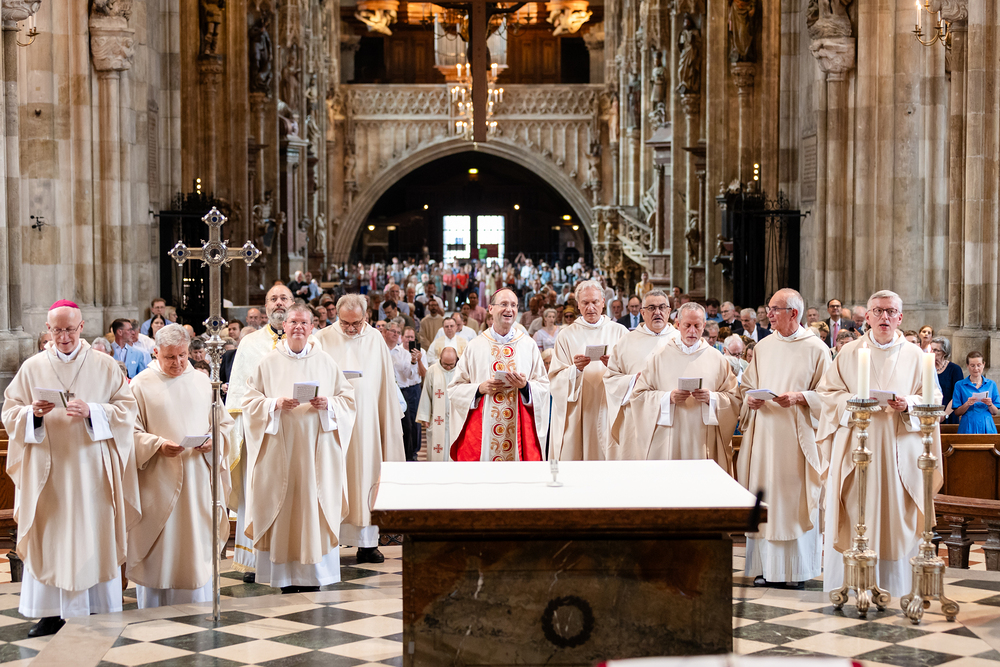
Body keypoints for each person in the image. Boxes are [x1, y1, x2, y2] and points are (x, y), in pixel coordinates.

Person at [1, 300, 139, 636]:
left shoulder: (105, 365)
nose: (64, 336)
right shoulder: (32, 367)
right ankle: (50, 613)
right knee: (51, 538)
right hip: (47, 473)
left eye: (70, 329)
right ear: (48, 329)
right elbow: (10, 412)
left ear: (82, 327)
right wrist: (32, 413)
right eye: (57, 330)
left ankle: (97, 608)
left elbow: (127, 410)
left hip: (91, 470)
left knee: (93, 534)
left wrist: (93, 411)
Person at [817, 289, 942, 598]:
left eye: (890, 311)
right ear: (868, 317)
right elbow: (828, 394)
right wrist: (857, 401)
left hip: (901, 452)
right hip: (857, 450)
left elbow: (934, 399)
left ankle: (897, 588)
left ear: (900, 317)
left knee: (897, 514)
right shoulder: (849, 352)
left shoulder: (916, 355)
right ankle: (852, 584)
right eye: (878, 311)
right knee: (857, 507)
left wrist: (909, 404)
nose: (884, 316)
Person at [242, 304, 356, 591]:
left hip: (317, 451)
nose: (298, 327)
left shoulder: (326, 361)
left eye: (304, 323)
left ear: (312, 326)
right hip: (279, 451)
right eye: (293, 322)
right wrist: (274, 404)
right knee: (283, 504)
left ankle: (314, 576)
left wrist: (328, 403)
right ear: (284, 325)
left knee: (314, 504)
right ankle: (284, 577)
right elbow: (249, 403)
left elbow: (348, 400)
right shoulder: (268, 362)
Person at [127, 324, 234, 607]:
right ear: (156, 352)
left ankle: (197, 605)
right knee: (161, 548)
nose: (178, 363)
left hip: (198, 479)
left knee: (194, 543)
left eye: (183, 355)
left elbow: (224, 425)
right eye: (170, 357)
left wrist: (213, 440)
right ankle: (154, 609)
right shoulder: (140, 385)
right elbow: (128, 434)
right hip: (157, 479)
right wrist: (157, 445)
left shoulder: (201, 381)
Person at [736, 289, 830, 588]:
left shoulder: (817, 349)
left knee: (793, 502)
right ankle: (766, 569)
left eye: (775, 309)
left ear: (794, 313)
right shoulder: (763, 347)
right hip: (764, 438)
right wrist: (750, 399)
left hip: (797, 439)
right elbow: (747, 385)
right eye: (769, 308)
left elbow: (830, 395)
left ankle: (796, 573)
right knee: (766, 500)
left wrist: (802, 397)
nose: (769, 314)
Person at [314, 295, 404, 563]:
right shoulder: (322, 338)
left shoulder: (375, 339)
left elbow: (385, 384)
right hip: (332, 422)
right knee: (333, 477)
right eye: (345, 323)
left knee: (366, 475)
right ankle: (330, 543)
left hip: (366, 423)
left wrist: (386, 417)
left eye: (357, 323)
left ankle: (367, 544)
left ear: (366, 317)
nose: (351, 328)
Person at [224, 284, 295, 582]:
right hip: (260, 434)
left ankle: (293, 556)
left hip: (296, 432)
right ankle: (254, 560)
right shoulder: (250, 344)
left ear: (293, 303)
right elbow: (239, 396)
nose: (279, 303)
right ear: (266, 307)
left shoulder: (308, 341)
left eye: (284, 298)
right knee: (258, 493)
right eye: (273, 299)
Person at [624, 303, 740, 472]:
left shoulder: (717, 359)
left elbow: (734, 397)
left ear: (704, 326)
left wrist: (712, 398)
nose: (692, 331)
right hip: (671, 438)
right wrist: (668, 398)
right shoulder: (660, 357)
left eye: (697, 326)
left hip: (703, 440)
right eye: (687, 325)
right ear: (678, 324)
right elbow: (638, 396)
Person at [448, 288, 550, 461]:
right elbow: (455, 389)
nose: (509, 309)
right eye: (503, 304)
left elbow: (544, 387)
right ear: (490, 309)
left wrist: (525, 387)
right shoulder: (475, 346)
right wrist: (479, 389)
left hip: (518, 430)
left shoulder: (528, 345)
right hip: (484, 431)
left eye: (513, 305)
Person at [549, 281, 628, 461]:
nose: (590, 307)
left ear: (603, 302)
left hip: (609, 407)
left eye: (595, 302)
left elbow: (632, 374)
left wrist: (614, 366)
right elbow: (555, 380)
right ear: (578, 304)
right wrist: (575, 370)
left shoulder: (620, 332)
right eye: (585, 303)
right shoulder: (566, 335)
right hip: (579, 411)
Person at [604, 290, 680, 459]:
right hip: (637, 416)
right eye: (651, 308)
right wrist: (632, 380)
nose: (657, 312)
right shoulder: (626, 341)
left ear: (669, 311)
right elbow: (610, 378)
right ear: (642, 313)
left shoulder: (680, 340)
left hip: (673, 415)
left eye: (662, 307)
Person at [386, 320, 425, 461]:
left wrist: (415, 361)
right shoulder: (388, 350)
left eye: (411, 337)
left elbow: (412, 374)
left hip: (408, 390)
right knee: (396, 423)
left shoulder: (410, 352)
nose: (395, 334)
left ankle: (411, 454)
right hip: (392, 389)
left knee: (411, 424)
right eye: (406, 337)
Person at [417, 347, 459, 461]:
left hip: (456, 419)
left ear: (456, 360)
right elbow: (426, 393)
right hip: (437, 419)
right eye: (445, 364)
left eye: (451, 364)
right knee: (437, 448)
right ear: (440, 358)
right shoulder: (432, 370)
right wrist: (425, 417)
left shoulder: (461, 371)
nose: (449, 367)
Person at [952, 351, 1000, 434]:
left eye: (979, 365)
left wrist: (990, 404)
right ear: (967, 366)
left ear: (983, 364)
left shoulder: (991, 384)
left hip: (987, 425)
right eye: (972, 365)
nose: (976, 368)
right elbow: (957, 412)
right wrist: (967, 404)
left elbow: (995, 412)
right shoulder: (959, 385)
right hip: (968, 425)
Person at [933, 337, 964, 425]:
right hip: (930, 413)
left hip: (949, 414)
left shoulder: (954, 369)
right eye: (931, 349)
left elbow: (957, 395)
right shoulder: (926, 368)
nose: (932, 352)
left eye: (936, 350)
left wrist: (945, 414)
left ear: (944, 352)